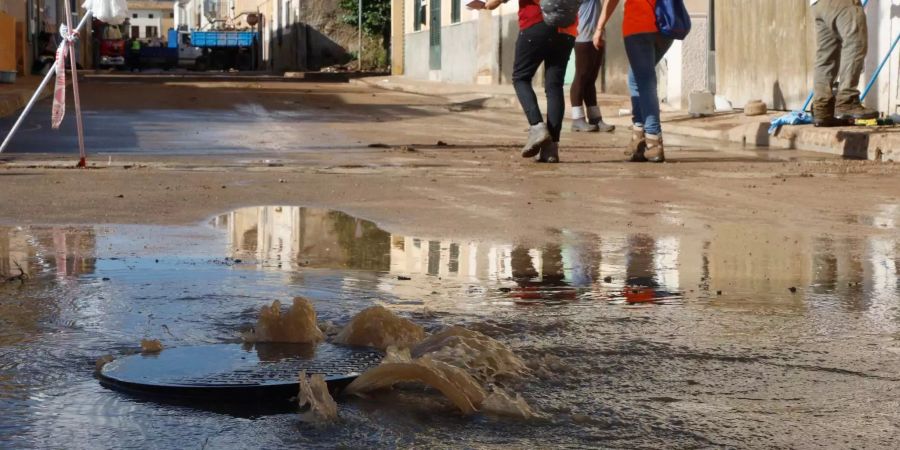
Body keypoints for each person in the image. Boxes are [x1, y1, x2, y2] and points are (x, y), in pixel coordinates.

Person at [474, 0, 578, 163]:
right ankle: (551, 149)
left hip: (535, 24)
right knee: (554, 86)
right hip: (567, 30)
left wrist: (486, 5)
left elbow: (494, 2)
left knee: (521, 77)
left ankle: (537, 127)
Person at [594, 0, 671, 162]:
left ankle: (653, 140)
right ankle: (639, 137)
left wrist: (600, 27)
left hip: (639, 25)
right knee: (636, 77)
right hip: (666, 25)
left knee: (644, 81)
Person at [810, 0, 877, 126]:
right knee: (856, 43)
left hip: (818, 4)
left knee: (826, 55)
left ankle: (822, 109)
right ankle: (847, 100)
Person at [571, 0, 615, 133]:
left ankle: (595, 117)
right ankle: (577, 119)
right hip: (583, 35)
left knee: (591, 79)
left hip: (597, 34)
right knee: (581, 76)